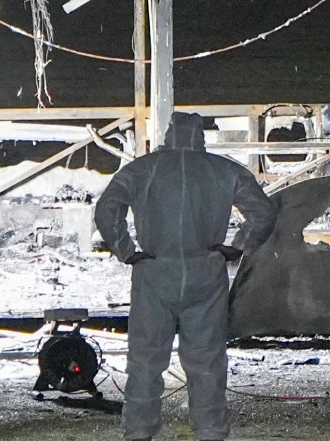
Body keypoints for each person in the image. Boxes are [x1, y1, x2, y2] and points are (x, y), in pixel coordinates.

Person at [95, 112, 279, 441]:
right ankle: (210, 432)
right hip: (206, 273)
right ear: (201, 137)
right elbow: (263, 212)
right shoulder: (224, 170)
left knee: (145, 361)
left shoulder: (141, 169)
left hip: (154, 273)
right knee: (207, 362)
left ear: (166, 136)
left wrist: (127, 249)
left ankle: (138, 432)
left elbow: (107, 208)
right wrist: (237, 247)